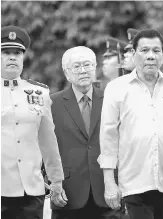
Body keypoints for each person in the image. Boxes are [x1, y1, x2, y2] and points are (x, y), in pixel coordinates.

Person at [97, 29, 163, 219]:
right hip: (134, 184)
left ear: (162, 55)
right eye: (144, 50)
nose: (150, 56)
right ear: (133, 53)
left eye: (156, 51)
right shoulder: (116, 89)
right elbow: (108, 138)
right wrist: (109, 182)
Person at [49, 46, 121, 219]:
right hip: (68, 194)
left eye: (87, 65)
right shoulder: (52, 103)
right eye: (76, 66)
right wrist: (52, 181)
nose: (83, 71)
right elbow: (44, 146)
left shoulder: (112, 100)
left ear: (94, 68)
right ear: (66, 73)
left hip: (108, 192)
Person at [1, 25, 65, 219]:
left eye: (17, 53)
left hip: (31, 189)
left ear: (23, 57)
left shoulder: (39, 93)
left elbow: (48, 141)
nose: (12, 57)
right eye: (5, 52)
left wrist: (56, 180)